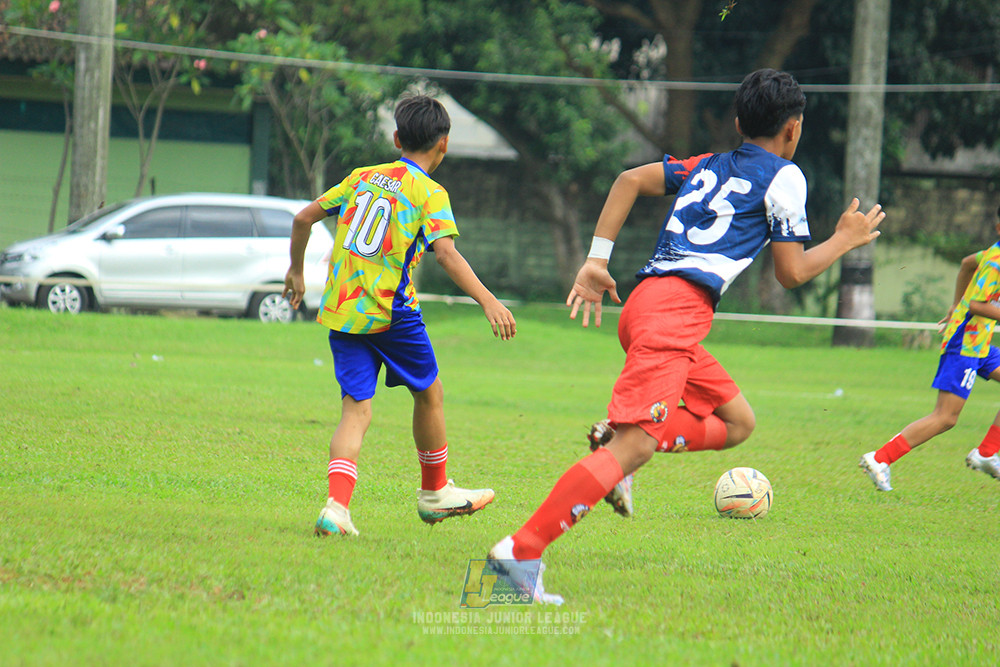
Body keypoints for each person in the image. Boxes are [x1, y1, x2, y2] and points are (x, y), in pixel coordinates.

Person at [486, 68, 885, 604]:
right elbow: (790, 273)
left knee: (738, 422)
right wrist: (843, 239)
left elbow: (629, 179)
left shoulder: (710, 164)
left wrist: (596, 261)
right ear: (793, 130)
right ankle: (522, 551)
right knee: (634, 450)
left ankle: (618, 437)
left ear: (740, 122)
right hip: (673, 315)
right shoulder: (786, 176)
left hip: (651, 307)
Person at [283, 94, 517, 536]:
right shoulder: (429, 192)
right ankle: (434, 493)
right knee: (429, 392)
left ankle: (336, 509)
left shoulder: (362, 177)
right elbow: (446, 254)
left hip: (345, 309)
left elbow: (302, 218)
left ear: (396, 138)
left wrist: (296, 272)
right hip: (392, 312)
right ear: (443, 146)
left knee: (356, 409)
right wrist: (489, 300)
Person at [860, 206, 1000, 491]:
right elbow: (977, 304)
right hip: (966, 343)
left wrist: (955, 304)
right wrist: (963, 305)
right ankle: (879, 458)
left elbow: (965, 264)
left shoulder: (991, 252)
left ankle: (987, 452)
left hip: (979, 342)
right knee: (946, 417)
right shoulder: (998, 261)